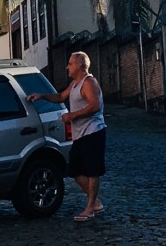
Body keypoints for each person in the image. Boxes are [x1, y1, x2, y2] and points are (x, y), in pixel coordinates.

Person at [26, 51, 106, 222]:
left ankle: (90, 207)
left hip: (93, 131)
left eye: (70, 63)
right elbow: (60, 97)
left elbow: (95, 106)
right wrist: (41, 96)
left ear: (80, 65)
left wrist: (72, 116)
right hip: (80, 134)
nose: (67, 66)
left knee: (92, 171)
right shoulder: (75, 84)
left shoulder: (89, 82)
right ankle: (95, 202)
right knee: (76, 171)